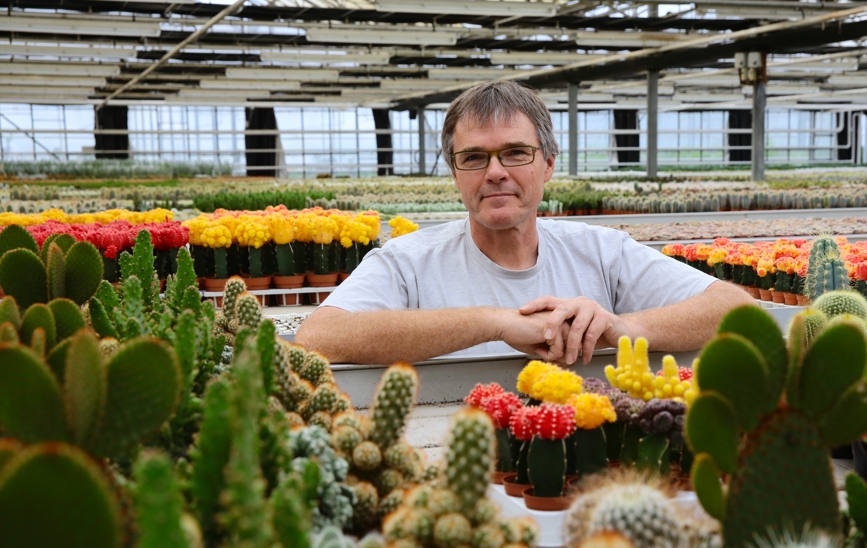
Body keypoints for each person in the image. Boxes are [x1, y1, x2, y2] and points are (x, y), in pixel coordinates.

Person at [295, 80, 752, 365]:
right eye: (473, 157)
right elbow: (321, 336)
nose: (495, 172)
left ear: (549, 164)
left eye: (516, 153)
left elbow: (738, 309)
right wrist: (495, 323)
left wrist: (617, 328)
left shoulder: (599, 249)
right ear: (455, 172)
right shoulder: (408, 261)